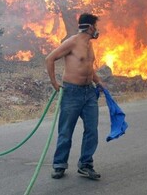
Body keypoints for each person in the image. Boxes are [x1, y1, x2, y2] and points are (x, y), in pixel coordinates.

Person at [46, 13, 103, 180]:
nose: (97, 30)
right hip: (72, 93)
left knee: (92, 131)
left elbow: (88, 68)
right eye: (95, 27)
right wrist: (54, 83)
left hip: (89, 93)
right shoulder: (72, 42)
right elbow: (49, 59)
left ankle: (86, 165)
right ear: (90, 27)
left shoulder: (89, 46)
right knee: (66, 131)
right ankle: (59, 165)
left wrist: (98, 82)